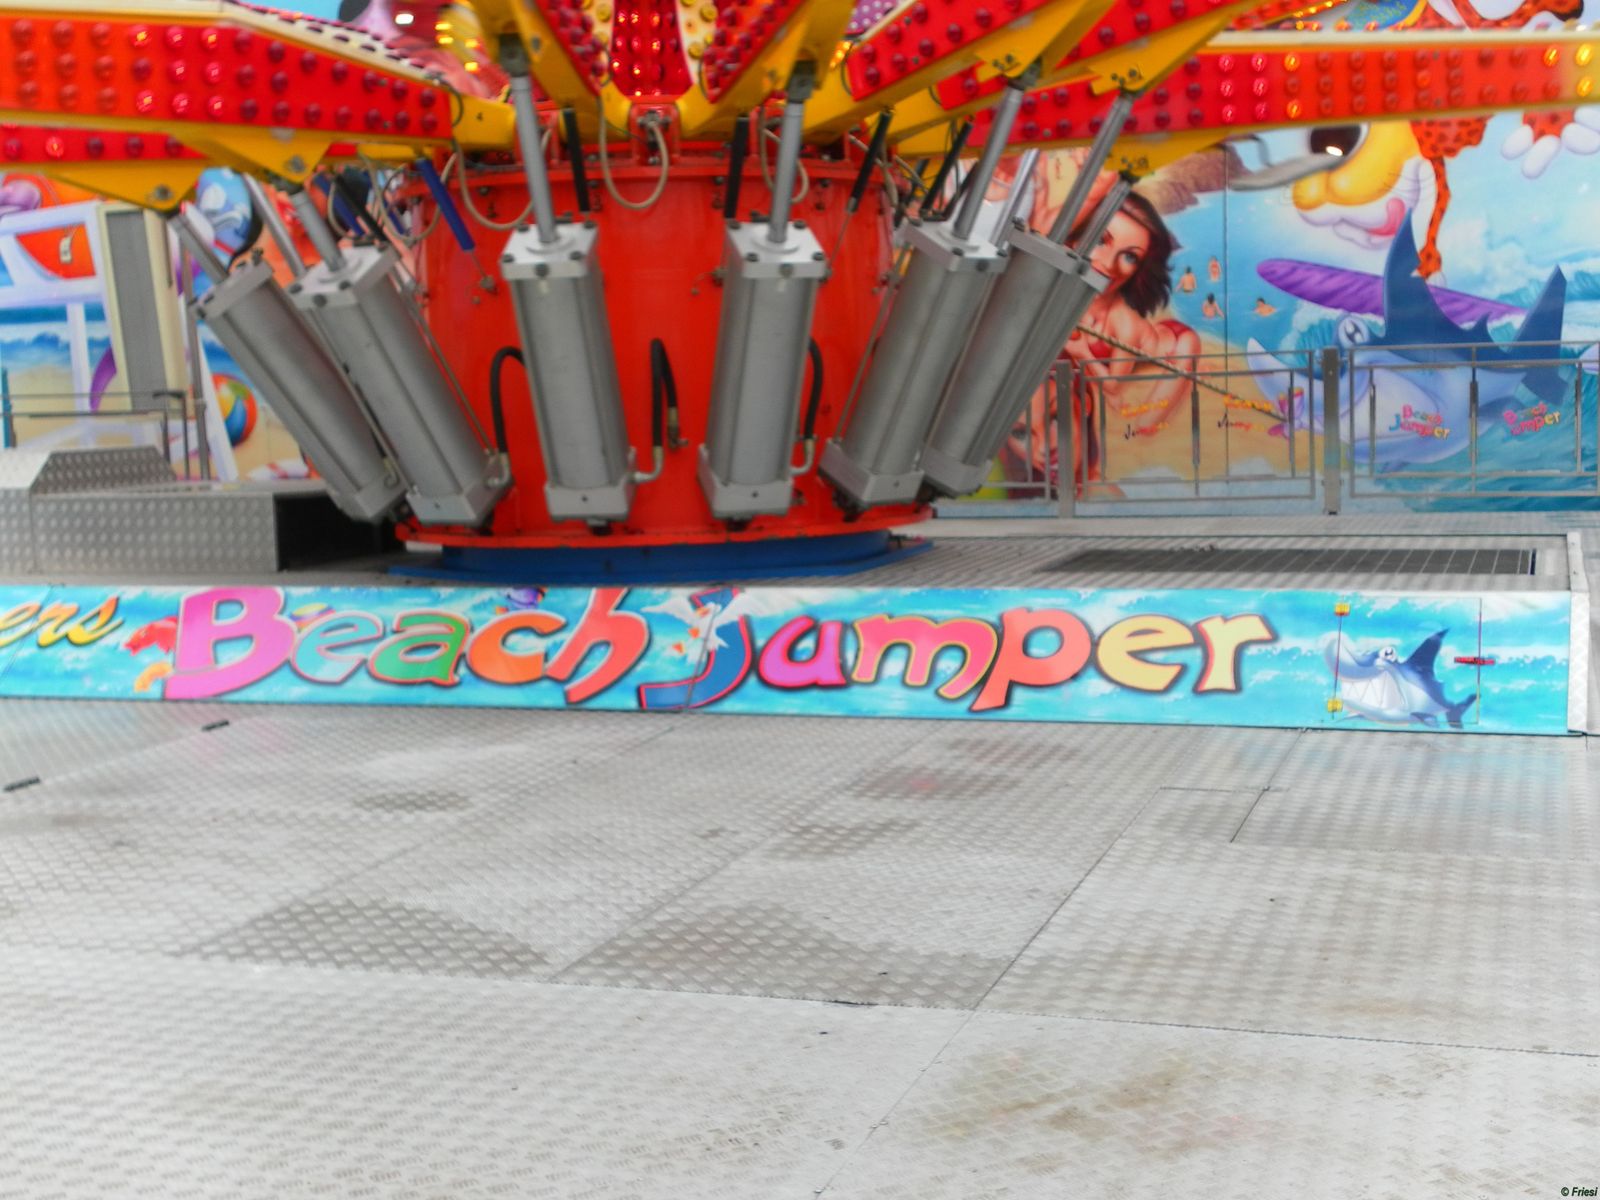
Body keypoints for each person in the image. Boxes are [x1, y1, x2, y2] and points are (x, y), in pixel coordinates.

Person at [1003, 163, 1200, 488]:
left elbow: (1113, 387)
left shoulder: (1122, 322)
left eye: (1130, 256)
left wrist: (1083, 352)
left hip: (1173, 344)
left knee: (1146, 425)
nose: (1108, 264)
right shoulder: (1051, 292)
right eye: (1101, 240)